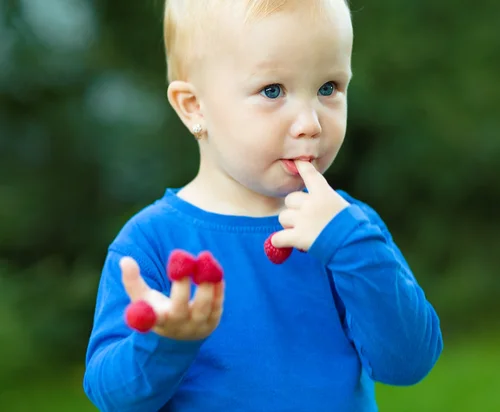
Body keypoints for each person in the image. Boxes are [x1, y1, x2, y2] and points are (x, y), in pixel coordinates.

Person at [82, 0, 443, 410]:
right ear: (194, 107)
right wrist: (165, 343)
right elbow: (111, 397)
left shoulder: (348, 228)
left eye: (329, 88)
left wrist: (351, 244)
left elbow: (408, 363)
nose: (311, 123)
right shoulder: (152, 241)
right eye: (273, 91)